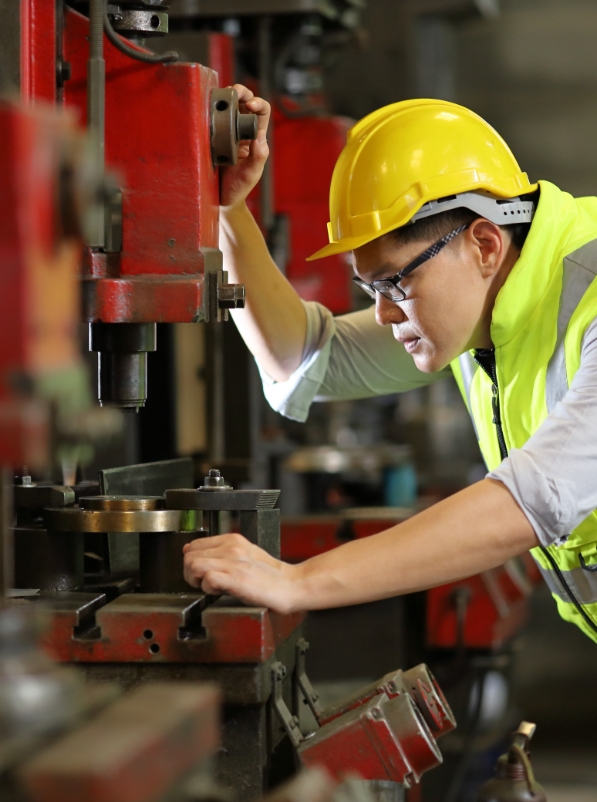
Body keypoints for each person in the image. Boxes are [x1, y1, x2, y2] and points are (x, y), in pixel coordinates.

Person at [184, 85, 597, 644]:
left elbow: (532, 501)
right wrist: (228, 212)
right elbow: (308, 358)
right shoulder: (491, 304)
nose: (380, 314)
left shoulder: (587, 297)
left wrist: (300, 582)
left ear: (483, 244)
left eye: (394, 284)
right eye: (367, 288)